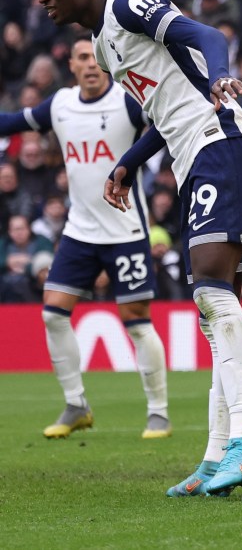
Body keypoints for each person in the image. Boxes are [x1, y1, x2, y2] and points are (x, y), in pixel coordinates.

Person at [38, 0, 242, 498]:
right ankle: (219, 454)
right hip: (195, 154)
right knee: (215, 308)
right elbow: (163, 112)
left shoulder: (123, 6)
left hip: (222, 143)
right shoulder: (100, 40)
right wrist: (128, 163)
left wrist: (219, 76)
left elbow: (208, 36)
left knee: (213, 295)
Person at [0, 37, 171, 440]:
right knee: (52, 313)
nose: (90, 64)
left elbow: (163, 126)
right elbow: (14, 123)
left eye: (96, 58)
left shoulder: (128, 101)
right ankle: (76, 404)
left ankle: (158, 412)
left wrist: (132, 165)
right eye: (81, 58)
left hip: (126, 230)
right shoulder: (60, 105)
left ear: (107, 63)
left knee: (136, 321)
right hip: (79, 231)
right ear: (71, 66)